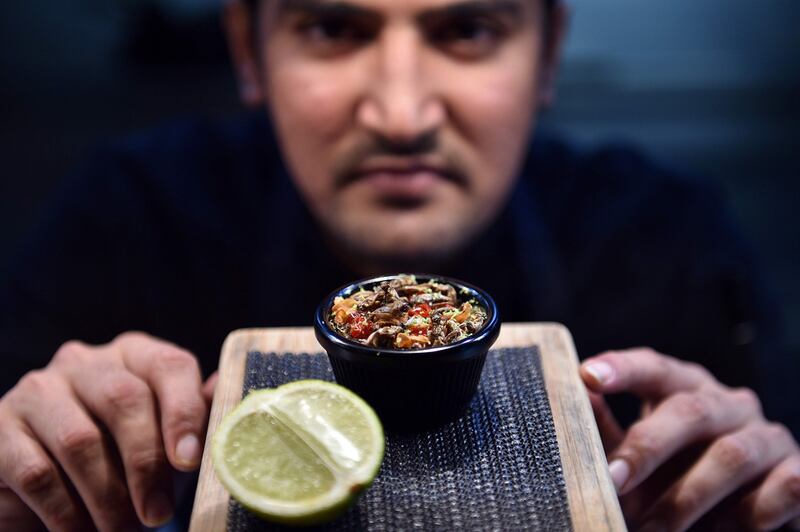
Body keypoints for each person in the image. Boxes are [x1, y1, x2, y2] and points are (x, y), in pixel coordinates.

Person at [0, 0, 797, 529]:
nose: (401, 114)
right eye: (333, 28)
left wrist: (763, 498)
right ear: (249, 49)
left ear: (549, 50)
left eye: (469, 29)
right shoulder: (127, 219)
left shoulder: (670, 238)